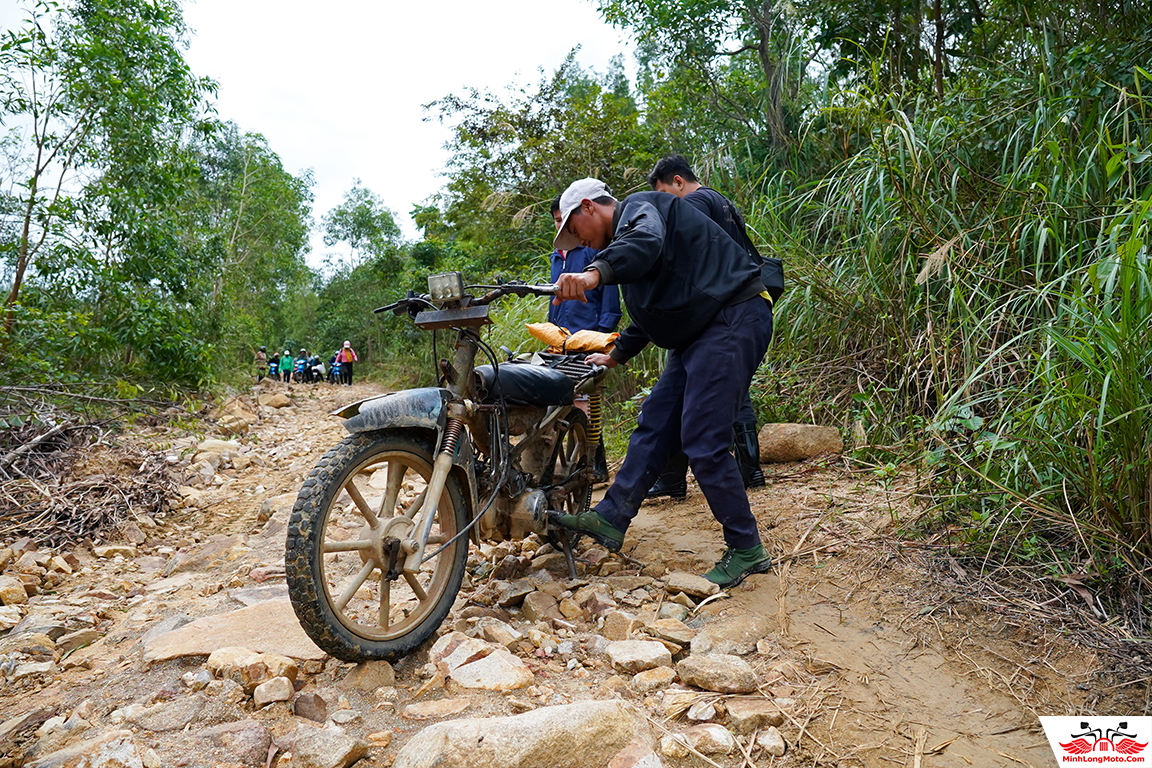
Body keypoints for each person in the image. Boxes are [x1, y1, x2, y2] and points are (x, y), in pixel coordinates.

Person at [551, 177, 774, 587]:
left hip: (732, 316)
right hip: (698, 329)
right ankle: (611, 518)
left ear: (588, 208)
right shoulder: (630, 254)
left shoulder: (639, 210)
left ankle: (747, 549)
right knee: (654, 422)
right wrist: (616, 354)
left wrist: (592, 275)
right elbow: (650, 314)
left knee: (703, 440)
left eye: (575, 231)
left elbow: (646, 240)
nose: (578, 243)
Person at [645, 155, 767, 499]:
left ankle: (672, 478)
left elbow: (677, 250)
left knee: (683, 392)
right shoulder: (722, 201)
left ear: (679, 182)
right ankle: (750, 470)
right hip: (741, 302)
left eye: (667, 195)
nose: (669, 205)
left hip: (711, 307)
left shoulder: (695, 202)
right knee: (735, 391)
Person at [549, 194, 622, 482]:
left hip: (590, 335)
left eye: (563, 221)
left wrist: (602, 334)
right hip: (564, 339)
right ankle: (581, 463)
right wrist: (554, 335)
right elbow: (554, 298)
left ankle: (595, 464)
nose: (561, 227)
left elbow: (610, 296)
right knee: (567, 402)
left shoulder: (591, 249)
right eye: (556, 222)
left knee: (588, 400)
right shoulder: (557, 256)